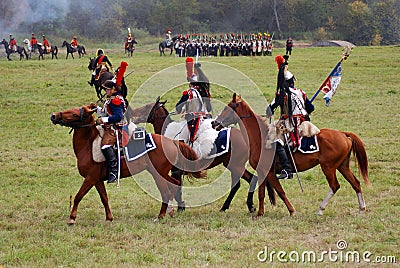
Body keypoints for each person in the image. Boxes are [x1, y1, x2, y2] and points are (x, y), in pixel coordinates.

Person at [266, 55, 314, 179]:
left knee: (276, 141)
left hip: (290, 123)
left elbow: (269, 109)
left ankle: (287, 170)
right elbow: (311, 108)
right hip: (303, 122)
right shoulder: (301, 92)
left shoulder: (282, 95)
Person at [95, 71, 127, 183]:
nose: (106, 91)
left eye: (108, 89)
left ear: (113, 89)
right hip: (109, 125)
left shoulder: (116, 100)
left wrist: (103, 120)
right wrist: (97, 109)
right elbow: (105, 113)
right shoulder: (111, 99)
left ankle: (113, 171)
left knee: (105, 145)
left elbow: (118, 117)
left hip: (117, 127)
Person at [175, 57, 212, 145]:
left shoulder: (188, 93)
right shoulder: (205, 92)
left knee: (179, 139)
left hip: (194, 121)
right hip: (207, 119)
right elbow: (209, 109)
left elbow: (178, 109)